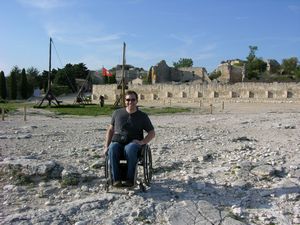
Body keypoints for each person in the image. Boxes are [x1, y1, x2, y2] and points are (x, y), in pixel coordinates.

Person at [104, 90, 155, 187]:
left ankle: (130, 179)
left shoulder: (142, 116)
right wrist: (106, 146)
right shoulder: (117, 113)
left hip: (133, 142)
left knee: (130, 149)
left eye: (133, 99)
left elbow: (152, 133)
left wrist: (142, 142)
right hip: (118, 141)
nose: (130, 102)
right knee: (112, 148)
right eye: (128, 100)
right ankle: (116, 179)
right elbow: (110, 130)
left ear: (137, 101)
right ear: (125, 101)